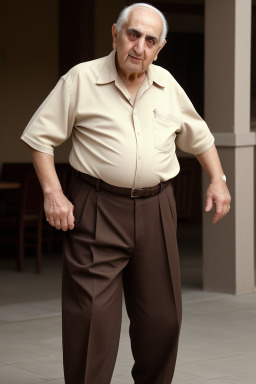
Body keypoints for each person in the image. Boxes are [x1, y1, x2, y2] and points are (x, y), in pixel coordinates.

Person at [21, 3, 231, 383]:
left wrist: (218, 179)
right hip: (96, 205)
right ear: (115, 34)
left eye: (150, 40)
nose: (140, 47)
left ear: (160, 46)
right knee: (91, 321)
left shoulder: (167, 85)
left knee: (163, 319)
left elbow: (199, 137)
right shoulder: (80, 79)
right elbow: (39, 138)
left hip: (157, 208)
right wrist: (53, 193)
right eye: (133, 34)